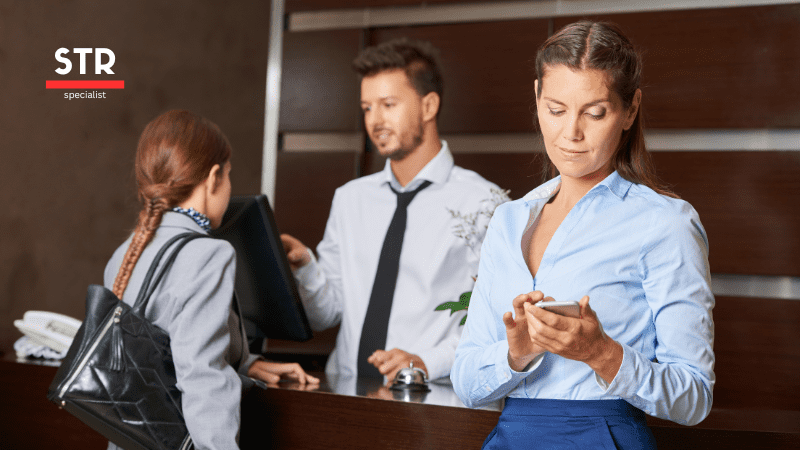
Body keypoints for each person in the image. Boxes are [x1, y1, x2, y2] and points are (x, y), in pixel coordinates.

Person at [451, 21, 715, 449]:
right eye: (556, 110)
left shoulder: (665, 223)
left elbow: (694, 398)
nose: (571, 133)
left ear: (630, 110)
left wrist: (603, 355)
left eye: (595, 113)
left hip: (602, 436)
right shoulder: (508, 220)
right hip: (510, 437)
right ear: (537, 97)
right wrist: (515, 354)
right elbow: (466, 382)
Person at [281, 38, 506, 383]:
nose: (375, 121)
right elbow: (327, 314)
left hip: (430, 398)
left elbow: (497, 322)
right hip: (344, 394)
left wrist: (425, 362)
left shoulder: (484, 203)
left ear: (429, 106)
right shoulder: (350, 199)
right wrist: (305, 266)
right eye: (367, 107)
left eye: (388, 104)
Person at [105, 110, 318, 450]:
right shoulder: (207, 255)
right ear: (214, 177)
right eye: (229, 175)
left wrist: (248, 364)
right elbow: (202, 378)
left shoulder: (126, 252)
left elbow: (158, 349)